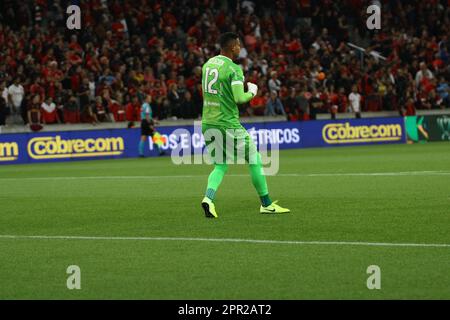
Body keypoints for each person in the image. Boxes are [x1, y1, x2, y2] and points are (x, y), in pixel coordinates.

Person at [200, 32, 290, 219]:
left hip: (208, 121)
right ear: (233, 47)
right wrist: (253, 92)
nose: (240, 47)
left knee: (220, 165)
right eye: (238, 44)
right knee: (255, 159)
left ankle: (208, 199)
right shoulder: (234, 69)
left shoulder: (207, 65)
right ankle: (266, 204)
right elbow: (240, 98)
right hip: (227, 123)